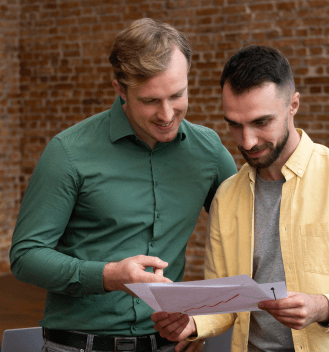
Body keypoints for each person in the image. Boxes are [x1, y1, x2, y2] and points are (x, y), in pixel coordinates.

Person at [10, 18, 237, 352]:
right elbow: (25, 256)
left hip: (168, 345)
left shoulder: (208, 150)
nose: (166, 113)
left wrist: (202, 321)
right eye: (150, 101)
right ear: (120, 88)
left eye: (177, 95)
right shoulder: (68, 152)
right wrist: (110, 275)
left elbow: (245, 231)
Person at [151, 45, 329, 352]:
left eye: (261, 122)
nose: (248, 141)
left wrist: (322, 307)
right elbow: (225, 301)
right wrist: (194, 323)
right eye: (235, 125)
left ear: (293, 105)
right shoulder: (226, 196)